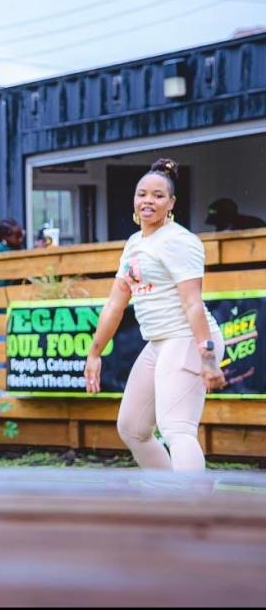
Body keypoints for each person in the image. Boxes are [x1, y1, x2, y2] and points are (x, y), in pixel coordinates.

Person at [84, 158, 226, 472]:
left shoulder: (179, 241)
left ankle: (194, 510)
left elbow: (192, 304)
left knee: (177, 427)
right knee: (133, 427)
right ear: (134, 200)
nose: (149, 200)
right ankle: (168, 498)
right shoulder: (135, 243)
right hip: (159, 342)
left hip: (188, 337)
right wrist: (95, 353)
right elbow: (115, 304)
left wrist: (207, 357)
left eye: (158, 195)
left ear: (171, 203)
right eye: (142, 193)